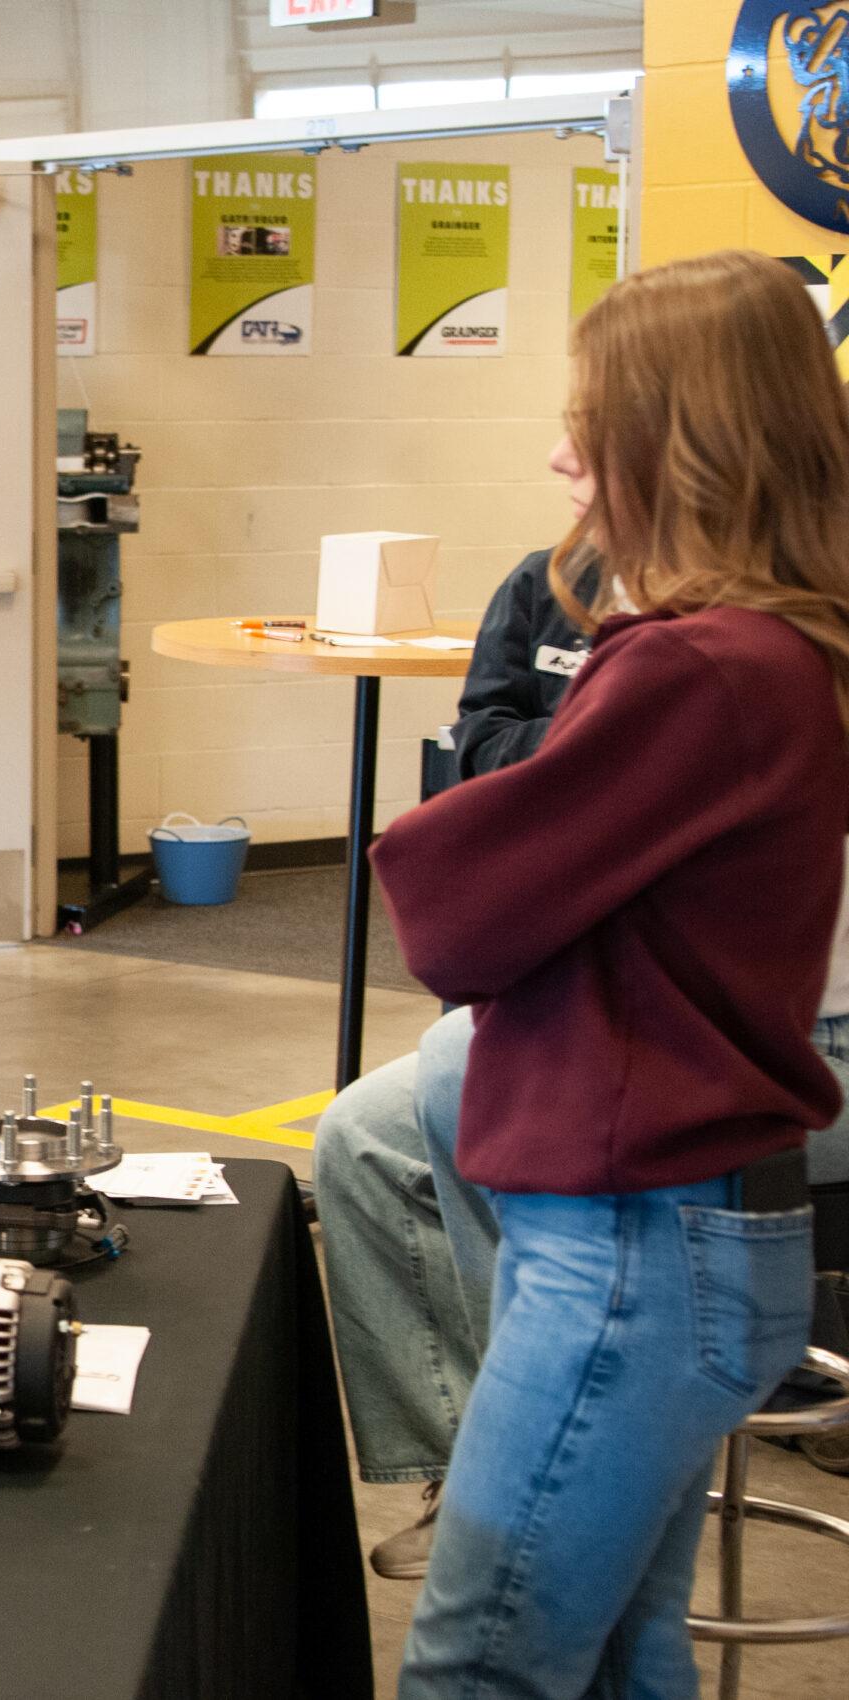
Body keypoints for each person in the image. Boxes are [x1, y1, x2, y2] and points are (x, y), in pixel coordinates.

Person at [372, 248, 849, 1696]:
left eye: (589, 422)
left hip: (632, 1246)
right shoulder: (778, 653)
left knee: (481, 1662)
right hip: (684, 1231)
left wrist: (475, 826)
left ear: (676, 435)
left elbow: (452, 909)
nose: (562, 459)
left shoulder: (695, 668)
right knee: (624, 1659)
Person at [314, 542, 849, 1582]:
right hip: (675, 1010)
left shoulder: (737, 654)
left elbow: (461, 896)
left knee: (460, 1067)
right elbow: (482, 762)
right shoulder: (567, 588)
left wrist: (581, 763)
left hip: (790, 1047)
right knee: (365, 1132)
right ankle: (475, 1456)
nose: (566, 465)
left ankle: (542, 1456)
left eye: (594, 448)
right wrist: (587, 757)